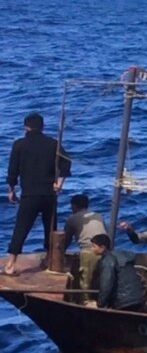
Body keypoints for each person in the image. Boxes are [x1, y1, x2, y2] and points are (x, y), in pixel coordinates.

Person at [5, 113, 71, 275]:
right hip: (49, 194)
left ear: (25, 127)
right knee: (50, 227)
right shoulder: (52, 144)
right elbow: (67, 162)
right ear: (43, 127)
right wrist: (59, 184)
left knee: (21, 228)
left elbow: (12, 171)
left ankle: (11, 265)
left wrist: (12, 190)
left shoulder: (19, 145)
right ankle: (50, 260)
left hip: (29, 194)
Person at [64, 194, 107, 297]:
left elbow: (66, 240)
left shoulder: (72, 219)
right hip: (105, 249)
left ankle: (86, 301)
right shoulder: (98, 216)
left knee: (85, 281)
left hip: (89, 250)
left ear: (74, 206)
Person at [91, 234, 145, 311]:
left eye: (94, 246)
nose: (92, 249)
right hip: (138, 298)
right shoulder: (119, 255)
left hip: (123, 301)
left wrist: (100, 304)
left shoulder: (108, 260)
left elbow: (106, 283)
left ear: (102, 248)